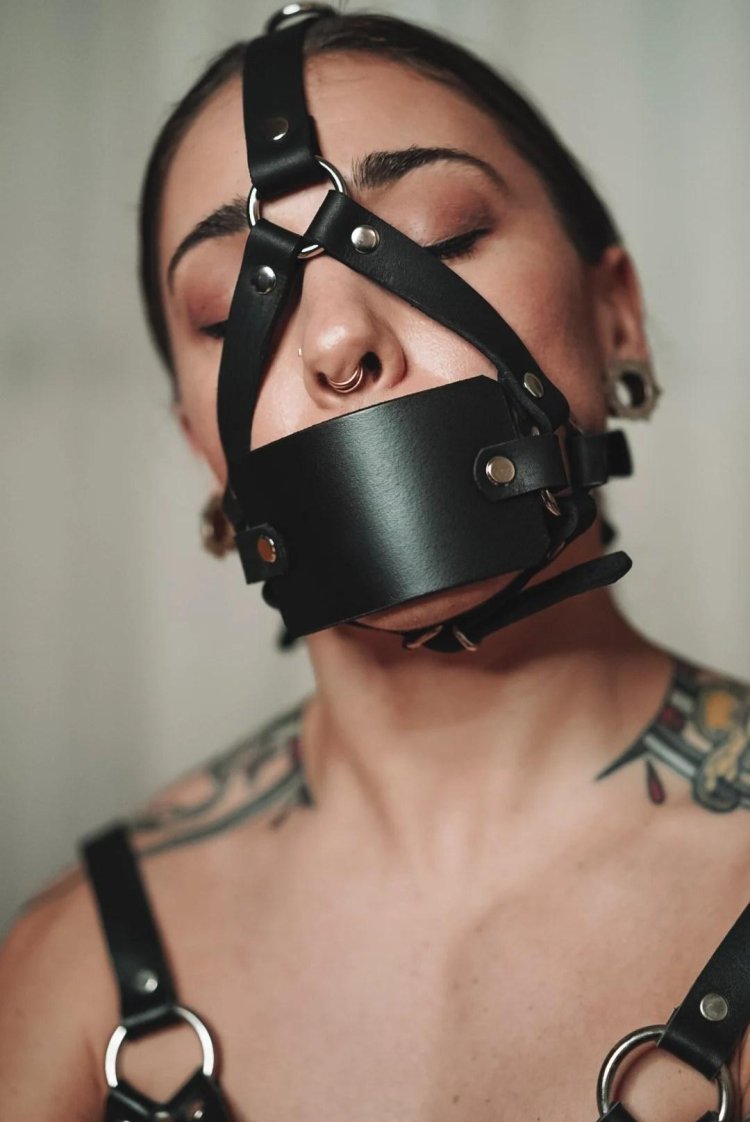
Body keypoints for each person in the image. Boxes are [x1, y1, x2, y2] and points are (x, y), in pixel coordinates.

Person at [1, 8, 749, 1120]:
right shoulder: (75, 965)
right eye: (229, 308)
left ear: (618, 316)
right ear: (201, 445)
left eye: (441, 238)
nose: (335, 340)